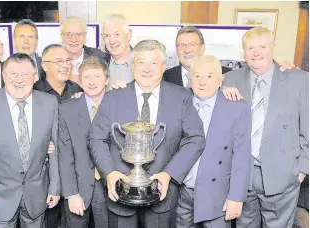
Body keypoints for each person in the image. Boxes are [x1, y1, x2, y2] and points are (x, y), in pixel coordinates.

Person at [89, 40, 206, 228]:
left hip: (163, 195)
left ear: (164, 65)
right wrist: (109, 173)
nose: (147, 69)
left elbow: (196, 138)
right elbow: (96, 138)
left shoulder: (181, 97)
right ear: (133, 65)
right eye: (141, 62)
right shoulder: (112, 98)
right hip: (120, 192)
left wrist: (169, 174)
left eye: (153, 63)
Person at [223, 27, 308, 227]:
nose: (256, 52)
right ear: (243, 52)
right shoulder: (230, 79)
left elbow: (308, 126)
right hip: (242, 175)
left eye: (262, 46)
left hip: (283, 174)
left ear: (272, 48)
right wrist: (222, 89)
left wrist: (302, 169)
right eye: (250, 47)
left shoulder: (299, 79)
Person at [0, 53, 60, 228]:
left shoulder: (50, 103)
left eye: (25, 74)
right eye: (13, 74)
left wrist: (55, 186)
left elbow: (54, 148)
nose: (19, 80)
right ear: (3, 76)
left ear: (35, 76)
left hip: (37, 194)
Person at [175, 55, 251, 228]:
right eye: (197, 76)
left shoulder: (237, 108)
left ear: (220, 79)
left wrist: (236, 197)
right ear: (190, 79)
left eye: (209, 76)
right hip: (182, 193)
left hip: (217, 195)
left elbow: (242, 156)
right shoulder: (179, 102)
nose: (202, 82)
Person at [59, 57, 110, 228]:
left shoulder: (118, 104)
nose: (92, 82)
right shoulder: (66, 109)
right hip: (78, 188)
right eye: (86, 77)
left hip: (110, 189)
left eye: (97, 76)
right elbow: (64, 156)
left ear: (107, 79)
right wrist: (71, 194)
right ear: (80, 81)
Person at [163, 26, 232, 89]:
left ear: (202, 48)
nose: (187, 50)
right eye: (181, 45)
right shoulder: (165, 77)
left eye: (192, 45)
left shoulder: (225, 74)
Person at [60, 16, 107, 85]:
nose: (73, 40)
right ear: (62, 37)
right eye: (68, 34)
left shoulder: (101, 57)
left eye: (78, 34)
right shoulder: (53, 60)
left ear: (85, 37)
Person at [101, 14, 134, 90]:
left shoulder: (143, 63)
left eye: (117, 34)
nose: (112, 41)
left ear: (128, 35)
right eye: (107, 36)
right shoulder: (99, 64)